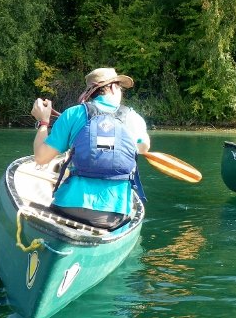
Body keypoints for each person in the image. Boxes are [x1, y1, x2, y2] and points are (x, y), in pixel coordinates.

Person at [30, 67, 151, 229]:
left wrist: (43, 123)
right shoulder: (134, 119)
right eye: (121, 88)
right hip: (114, 216)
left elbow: (41, 157)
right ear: (114, 87)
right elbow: (143, 148)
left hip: (68, 208)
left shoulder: (72, 114)